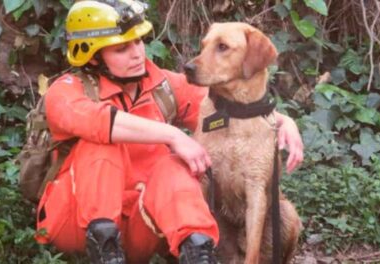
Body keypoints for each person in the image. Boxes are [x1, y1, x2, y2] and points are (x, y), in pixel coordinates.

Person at [34, 0, 304, 263]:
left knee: (175, 165)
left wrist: (281, 120)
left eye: (139, 41)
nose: (137, 53)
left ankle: (197, 251)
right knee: (100, 144)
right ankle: (104, 247)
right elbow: (99, 121)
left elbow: (222, 107)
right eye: (121, 48)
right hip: (75, 224)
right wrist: (172, 134)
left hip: (144, 225)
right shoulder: (66, 90)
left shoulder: (160, 84)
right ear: (93, 57)